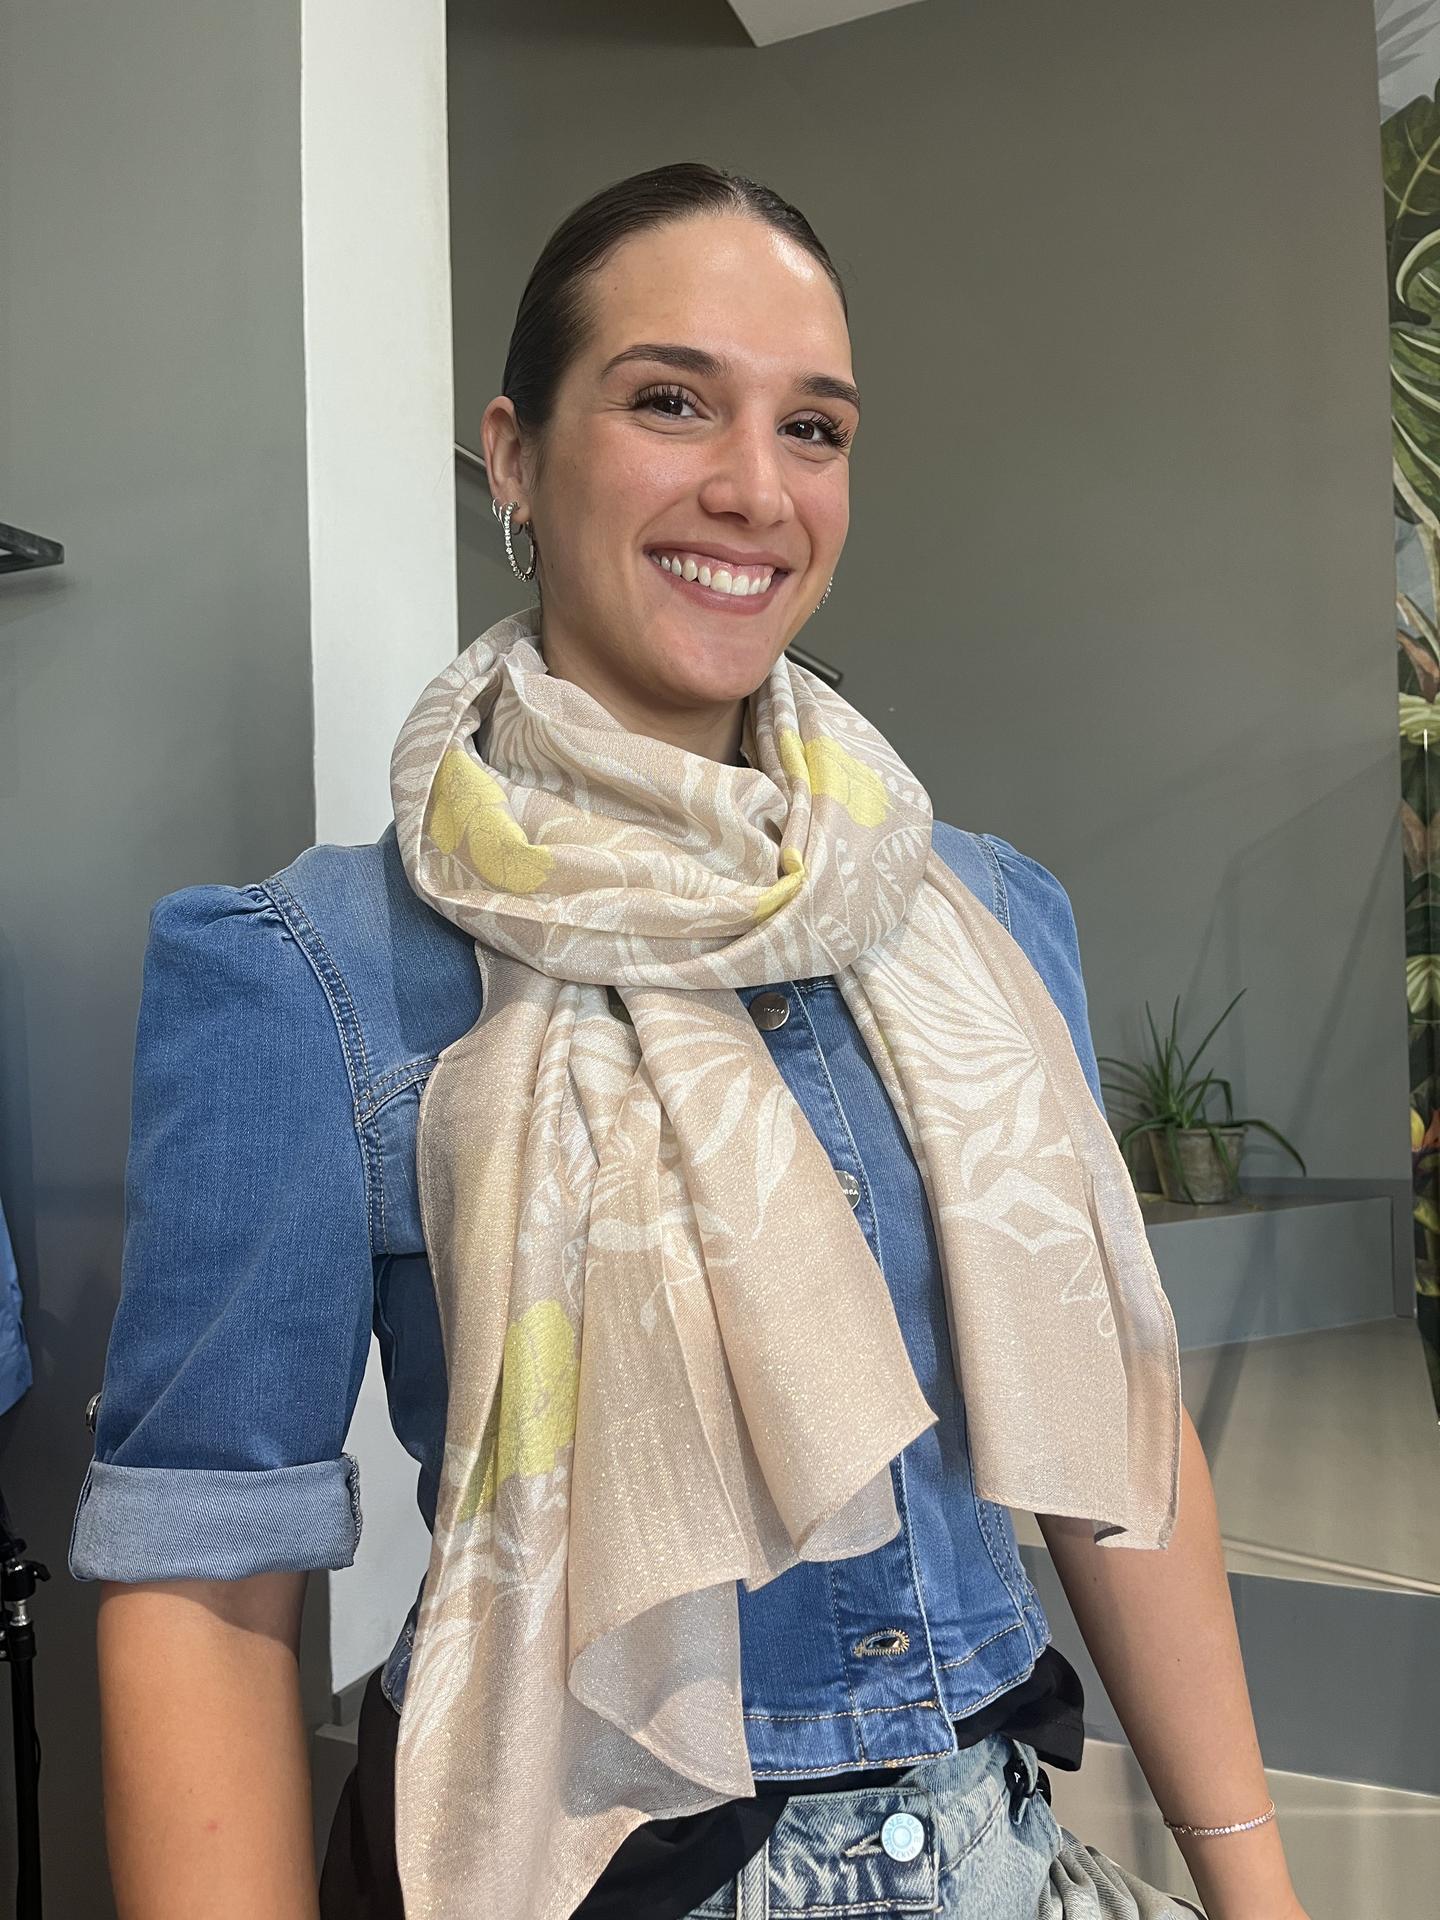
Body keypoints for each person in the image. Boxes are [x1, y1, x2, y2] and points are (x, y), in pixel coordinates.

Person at [71, 163, 1310, 1920]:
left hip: (1001, 1854)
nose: (754, 487)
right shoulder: (305, 971)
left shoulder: (979, 911)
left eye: (814, 428)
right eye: (670, 402)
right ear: (514, 456)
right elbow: (208, 1587)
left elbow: (1117, 1420)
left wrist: (1255, 1884)